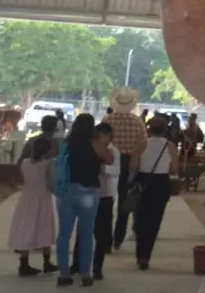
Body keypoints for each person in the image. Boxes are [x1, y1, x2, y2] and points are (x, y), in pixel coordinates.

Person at [54, 113, 112, 287]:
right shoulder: (96, 144)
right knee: (86, 233)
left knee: (64, 234)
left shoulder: (66, 144)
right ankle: (85, 273)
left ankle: (64, 274)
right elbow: (110, 158)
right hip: (88, 191)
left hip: (66, 191)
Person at [7, 115, 59, 276]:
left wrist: (19, 181)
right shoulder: (55, 148)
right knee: (44, 226)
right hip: (42, 197)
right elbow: (52, 178)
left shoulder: (30, 146)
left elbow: (20, 162)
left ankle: (24, 262)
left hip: (27, 197)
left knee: (26, 226)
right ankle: (46, 261)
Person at [72, 123, 119, 282]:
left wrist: (101, 167)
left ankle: (97, 268)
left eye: (102, 137)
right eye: (96, 137)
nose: (99, 140)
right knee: (82, 231)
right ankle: (76, 264)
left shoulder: (113, 151)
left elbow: (115, 171)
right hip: (89, 194)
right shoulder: (88, 149)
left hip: (105, 196)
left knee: (101, 235)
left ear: (108, 136)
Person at [104, 87, 147, 252]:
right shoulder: (137, 122)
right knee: (124, 203)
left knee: (106, 202)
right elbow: (143, 144)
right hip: (129, 163)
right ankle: (118, 238)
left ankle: (105, 240)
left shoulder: (108, 120)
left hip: (110, 161)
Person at [132, 116, 177, 271]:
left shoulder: (142, 144)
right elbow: (174, 168)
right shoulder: (170, 146)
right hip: (161, 184)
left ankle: (139, 253)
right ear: (165, 130)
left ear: (149, 129)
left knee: (141, 218)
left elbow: (134, 165)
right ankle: (145, 257)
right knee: (154, 220)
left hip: (144, 182)